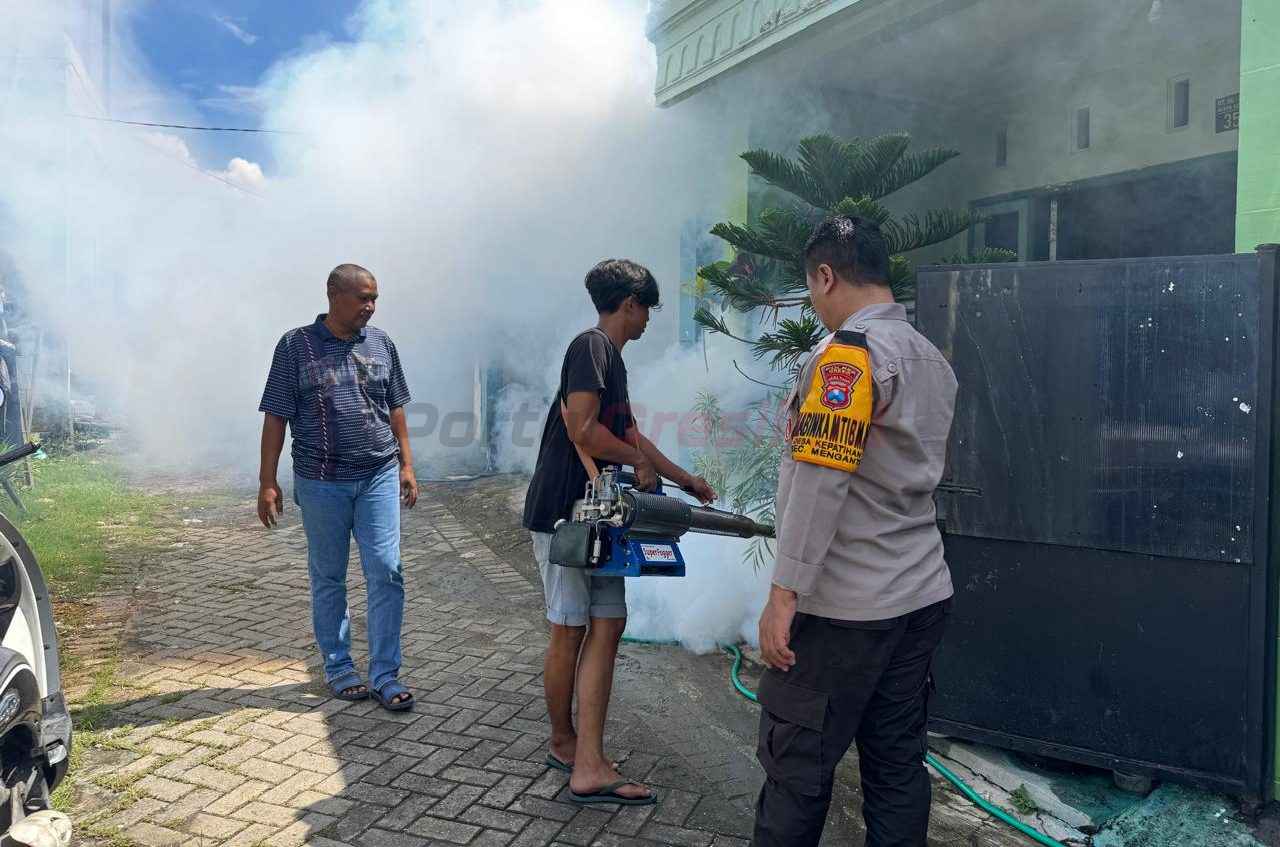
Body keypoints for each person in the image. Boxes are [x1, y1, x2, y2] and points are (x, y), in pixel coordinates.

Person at [753, 216, 958, 846]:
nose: (814, 305)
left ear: (826, 276)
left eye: (810, 289)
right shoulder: (930, 358)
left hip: (845, 612)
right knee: (896, 767)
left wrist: (784, 592)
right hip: (920, 596)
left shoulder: (847, 357)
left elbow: (820, 481)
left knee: (796, 769)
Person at [522, 259, 716, 806]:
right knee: (569, 630)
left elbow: (629, 435)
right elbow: (584, 430)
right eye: (647, 308)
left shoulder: (612, 360)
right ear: (629, 304)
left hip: (601, 518)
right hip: (566, 516)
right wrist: (637, 460)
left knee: (609, 623)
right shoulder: (590, 347)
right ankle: (566, 744)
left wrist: (684, 479)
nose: (649, 319)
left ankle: (589, 759)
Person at [257, 263, 419, 712]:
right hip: (321, 481)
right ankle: (339, 667)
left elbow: (396, 406)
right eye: (363, 298)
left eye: (375, 299)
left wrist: (407, 464)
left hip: (378, 474)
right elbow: (276, 416)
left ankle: (385, 673)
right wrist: (267, 481)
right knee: (329, 576)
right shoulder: (295, 346)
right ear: (333, 294)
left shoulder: (382, 343)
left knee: (386, 570)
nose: (370, 307)